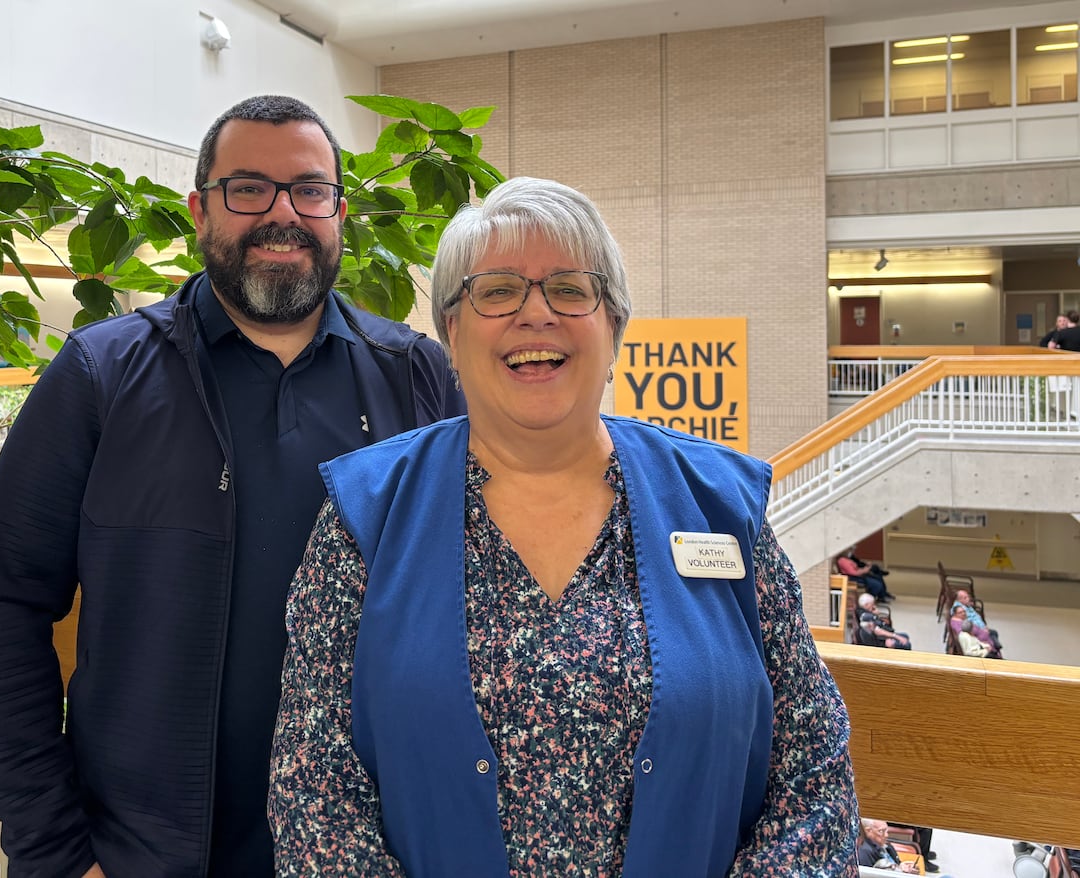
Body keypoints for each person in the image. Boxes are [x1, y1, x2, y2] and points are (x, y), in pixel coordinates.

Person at [268, 176, 858, 875]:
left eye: (571, 290)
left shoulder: (722, 507)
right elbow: (315, 792)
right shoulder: (365, 514)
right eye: (496, 291)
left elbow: (815, 771)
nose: (535, 314)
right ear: (451, 334)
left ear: (614, 325)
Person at [0, 95, 465, 878]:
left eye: (309, 190)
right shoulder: (102, 374)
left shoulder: (414, 374)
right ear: (200, 210)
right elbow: (1, 603)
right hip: (138, 854)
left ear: (339, 212)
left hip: (372, 850)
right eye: (248, 188)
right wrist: (55, 849)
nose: (282, 214)